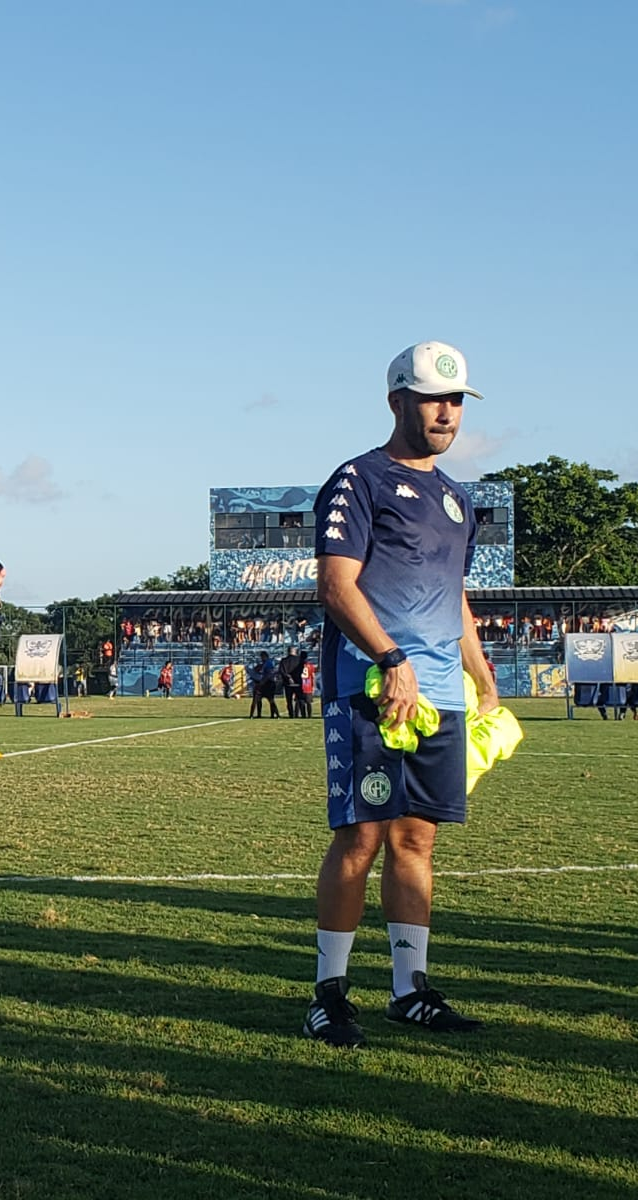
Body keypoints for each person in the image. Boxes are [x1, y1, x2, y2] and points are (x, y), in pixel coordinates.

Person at [303, 340, 498, 1049]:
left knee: (418, 838)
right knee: (361, 835)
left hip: (441, 690)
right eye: (432, 399)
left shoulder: (458, 497)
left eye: (455, 401)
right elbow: (336, 585)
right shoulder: (360, 480)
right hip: (371, 685)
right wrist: (393, 658)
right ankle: (329, 994)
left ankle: (409, 989)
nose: (447, 413)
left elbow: (456, 594)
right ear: (398, 403)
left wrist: (481, 675)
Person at [278, 646, 304, 717]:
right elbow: (301, 670)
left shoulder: (284, 661)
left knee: (289, 700)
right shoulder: (299, 660)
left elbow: (281, 671)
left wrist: (288, 677)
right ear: (295, 651)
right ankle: (303, 714)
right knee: (300, 699)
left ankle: (291, 714)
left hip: (288, 683)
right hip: (297, 682)